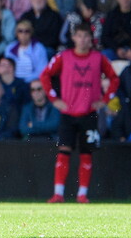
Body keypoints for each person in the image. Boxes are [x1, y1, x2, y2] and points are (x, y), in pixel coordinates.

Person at [41, 23, 119, 204]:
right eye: (79, 36)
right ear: (74, 38)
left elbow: (114, 78)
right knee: (63, 150)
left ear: (91, 39)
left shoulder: (99, 58)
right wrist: (54, 99)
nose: (83, 40)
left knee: (86, 152)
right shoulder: (64, 57)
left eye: (86, 36)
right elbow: (45, 76)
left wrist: (105, 100)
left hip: (89, 113)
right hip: (68, 113)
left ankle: (82, 194)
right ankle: (58, 193)